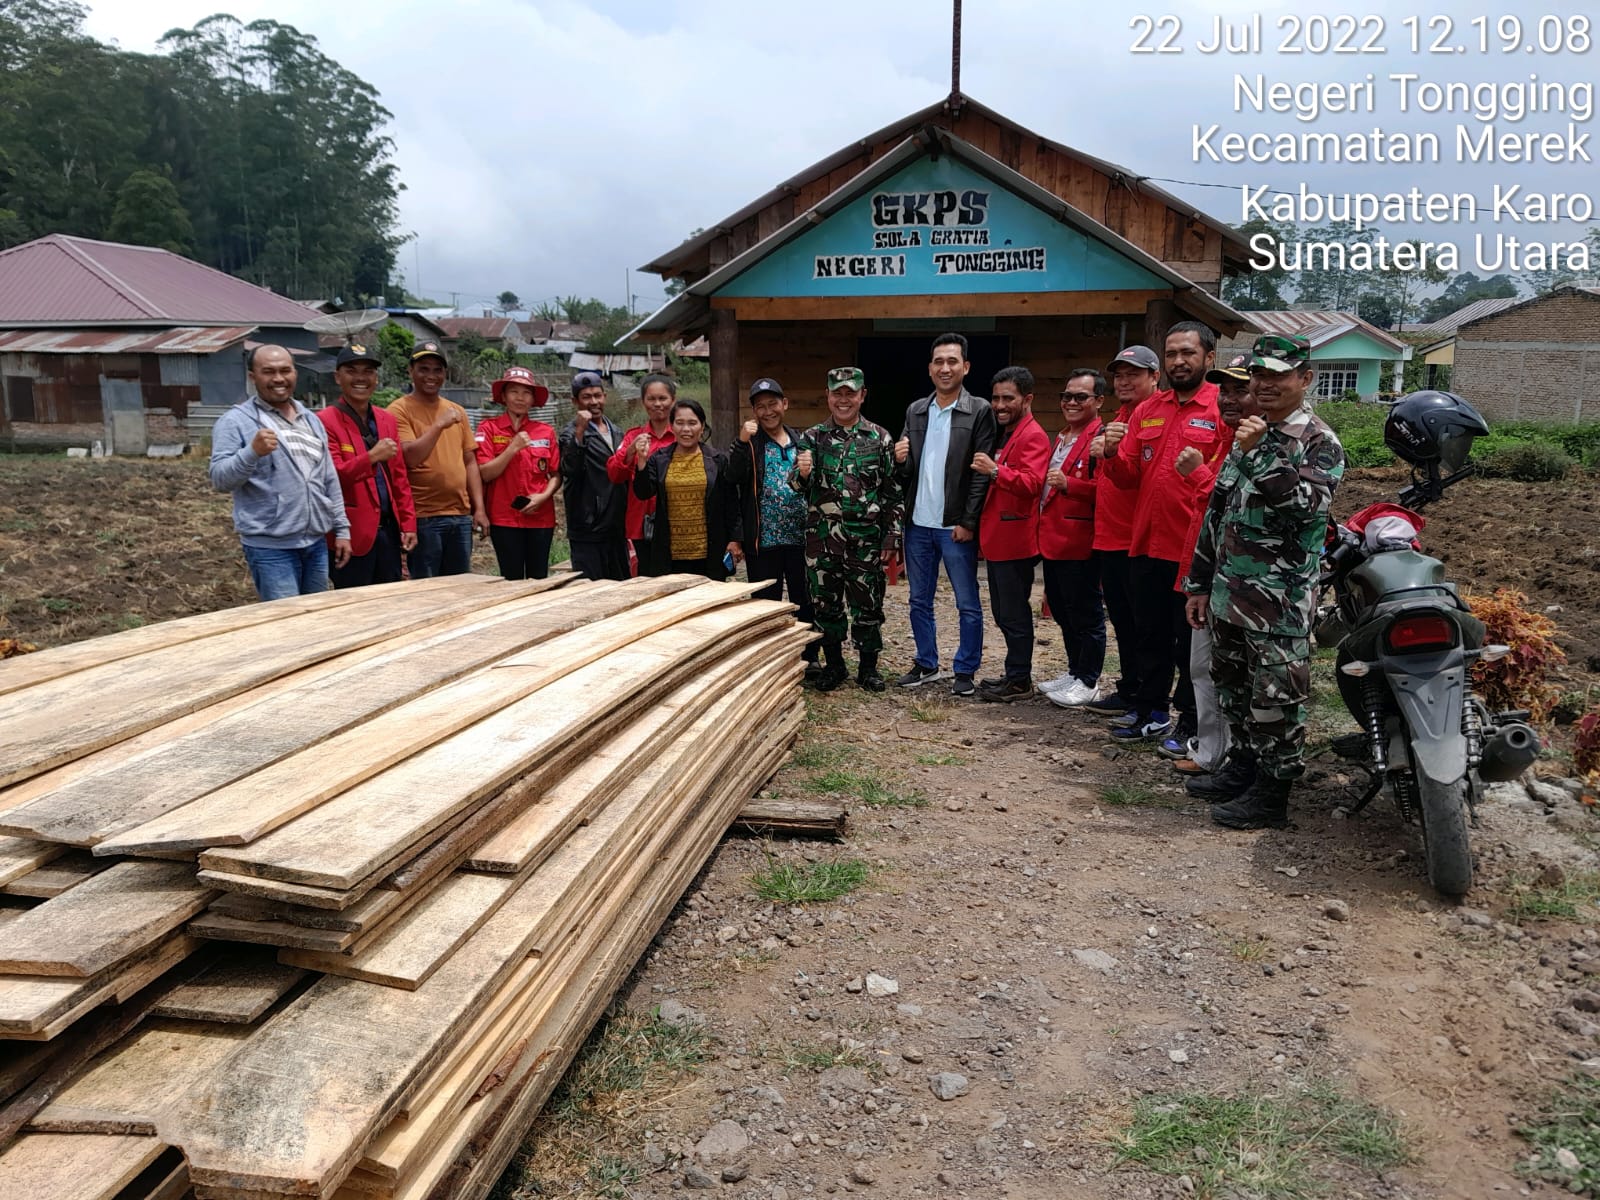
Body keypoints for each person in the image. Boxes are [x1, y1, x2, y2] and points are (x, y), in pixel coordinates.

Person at [1185, 333, 1345, 829]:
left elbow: (1303, 509)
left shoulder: (1318, 441)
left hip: (1280, 602)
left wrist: (1256, 453)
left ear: (1305, 379)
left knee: (1278, 699)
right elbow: (1221, 512)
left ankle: (1272, 797)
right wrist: (1198, 581)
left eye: (1278, 375)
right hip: (1230, 594)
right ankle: (1244, 770)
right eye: (1259, 374)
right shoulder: (1251, 433)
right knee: (1234, 689)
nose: (1265, 384)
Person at [1101, 322, 1222, 742]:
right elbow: (1128, 476)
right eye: (1171, 353)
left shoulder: (1221, 409)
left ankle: (1190, 722)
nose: (1178, 361)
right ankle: (1148, 711)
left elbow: (1224, 488)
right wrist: (1112, 454)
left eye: (1187, 353)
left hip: (1192, 551)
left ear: (1209, 358)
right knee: (1147, 635)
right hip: (1146, 544)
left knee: (1189, 645)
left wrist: (1199, 472)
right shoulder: (1149, 410)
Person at [892, 332, 997, 697]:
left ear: (966, 367)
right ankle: (926, 663)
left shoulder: (979, 410)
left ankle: (965, 669)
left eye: (952, 361)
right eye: (939, 361)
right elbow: (906, 472)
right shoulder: (916, 410)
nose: (945, 368)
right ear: (930, 368)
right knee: (919, 599)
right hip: (919, 522)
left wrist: (969, 521)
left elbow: (981, 474)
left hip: (954, 524)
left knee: (966, 601)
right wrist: (900, 460)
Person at [1168, 355, 1254, 778]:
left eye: (1241, 389)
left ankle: (1236, 757)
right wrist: (1195, 580)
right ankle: (1212, 750)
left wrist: (1198, 475)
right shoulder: (1229, 441)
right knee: (1204, 666)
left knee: (1236, 672)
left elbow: (1233, 508)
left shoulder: (1262, 446)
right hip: (1210, 575)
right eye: (1225, 391)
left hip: (1247, 584)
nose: (1230, 400)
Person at [209, 344, 350, 599]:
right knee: (287, 626)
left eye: (285, 370)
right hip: (270, 548)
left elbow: (328, 478)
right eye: (268, 372)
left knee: (314, 620)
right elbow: (219, 479)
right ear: (253, 377)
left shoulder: (310, 419)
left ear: (295, 373)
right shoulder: (235, 422)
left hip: (315, 543)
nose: (278, 379)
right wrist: (251, 452)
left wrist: (342, 530)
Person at [792, 367, 902, 692]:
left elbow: (892, 491)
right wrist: (801, 474)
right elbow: (797, 485)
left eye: (850, 393)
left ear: (862, 395)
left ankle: (868, 669)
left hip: (865, 541)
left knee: (868, 605)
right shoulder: (811, 438)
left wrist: (892, 535)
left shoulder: (880, 438)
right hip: (822, 540)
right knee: (826, 605)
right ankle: (835, 666)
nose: (843, 400)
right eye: (837, 393)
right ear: (827, 395)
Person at [1082, 345, 1161, 720]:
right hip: (1110, 537)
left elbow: (1140, 478)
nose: (1125, 381)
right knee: (1124, 623)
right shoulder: (1121, 417)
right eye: (1119, 375)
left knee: (1143, 626)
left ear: (1154, 377)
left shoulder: (1154, 417)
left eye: (1134, 374)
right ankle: (1131, 689)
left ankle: (1146, 698)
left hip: (1137, 539)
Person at [725, 377, 818, 669]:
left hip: (801, 538)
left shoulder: (803, 442)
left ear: (785, 404)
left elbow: (816, 485)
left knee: (805, 599)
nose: (767, 411)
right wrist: (741, 442)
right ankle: (771, 661)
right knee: (766, 603)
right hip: (763, 539)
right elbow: (731, 478)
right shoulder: (749, 443)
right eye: (760, 406)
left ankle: (809, 656)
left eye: (773, 404)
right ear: (754, 411)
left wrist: (806, 475)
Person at [972, 366, 1050, 702]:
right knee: (1004, 612)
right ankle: (1013, 672)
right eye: (996, 398)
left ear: (1027, 399)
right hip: (999, 540)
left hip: (1016, 541)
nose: (1000, 404)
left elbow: (1032, 484)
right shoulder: (1008, 432)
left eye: (1008, 398)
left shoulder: (1033, 435)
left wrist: (995, 472)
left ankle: (1020, 680)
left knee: (1015, 614)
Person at [316, 342, 416, 588]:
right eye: (352, 371)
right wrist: (371, 457)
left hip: (388, 534)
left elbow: (399, 477)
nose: (361, 378)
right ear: (338, 377)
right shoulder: (324, 421)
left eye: (368, 372)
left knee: (389, 600)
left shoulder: (386, 419)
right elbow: (331, 477)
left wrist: (408, 523)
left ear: (376, 378)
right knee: (354, 604)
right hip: (351, 534)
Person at [1039, 370, 1109, 708]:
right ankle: (1074, 670)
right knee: (1063, 612)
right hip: (1052, 538)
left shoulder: (1101, 437)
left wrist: (1071, 485)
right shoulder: (1062, 436)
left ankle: (1089, 679)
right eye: (1066, 396)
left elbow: (1108, 490)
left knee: (1086, 613)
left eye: (1080, 397)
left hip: (1080, 539)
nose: (1071, 402)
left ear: (1098, 401)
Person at [389, 341, 488, 578]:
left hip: (459, 515)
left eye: (437, 370)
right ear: (410, 371)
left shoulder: (457, 411)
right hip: (424, 517)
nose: (431, 376)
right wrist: (439, 424)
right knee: (428, 588)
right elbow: (411, 457)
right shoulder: (399, 410)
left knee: (459, 585)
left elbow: (470, 461)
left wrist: (479, 508)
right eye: (424, 369)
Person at [631, 398, 740, 579]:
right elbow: (643, 493)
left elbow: (731, 502)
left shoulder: (717, 459)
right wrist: (641, 461)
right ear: (672, 426)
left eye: (692, 423)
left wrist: (735, 539)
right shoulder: (659, 459)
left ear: (702, 426)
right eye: (680, 423)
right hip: (670, 552)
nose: (686, 429)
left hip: (709, 549)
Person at [475, 365, 559, 580]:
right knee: (510, 579)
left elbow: (556, 474)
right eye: (514, 391)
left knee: (539, 579)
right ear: (503, 396)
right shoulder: (488, 429)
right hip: (504, 519)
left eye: (526, 393)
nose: (520, 398)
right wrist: (512, 448)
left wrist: (543, 496)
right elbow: (484, 473)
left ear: (532, 399)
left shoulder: (546, 432)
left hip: (540, 517)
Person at [560, 371, 629, 581]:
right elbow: (569, 469)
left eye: (597, 395)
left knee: (621, 584)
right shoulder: (569, 434)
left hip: (616, 525)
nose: (594, 402)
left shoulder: (616, 431)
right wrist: (579, 434)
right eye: (586, 397)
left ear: (604, 397)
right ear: (575, 401)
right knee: (592, 587)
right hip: (588, 527)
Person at [607, 374, 680, 574]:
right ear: (643, 402)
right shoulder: (633, 436)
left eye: (663, 398)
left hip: (677, 521)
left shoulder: (682, 435)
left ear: (673, 400)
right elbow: (614, 474)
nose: (658, 404)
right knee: (647, 578)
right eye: (651, 399)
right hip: (641, 523)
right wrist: (630, 451)